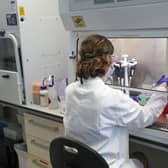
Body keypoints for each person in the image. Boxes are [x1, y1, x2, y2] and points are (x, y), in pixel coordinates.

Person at [64, 34, 167, 168]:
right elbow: (144, 117)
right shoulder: (111, 97)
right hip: (107, 165)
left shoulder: (70, 90)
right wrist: (162, 90)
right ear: (107, 60)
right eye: (112, 57)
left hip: (80, 163)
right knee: (141, 158)